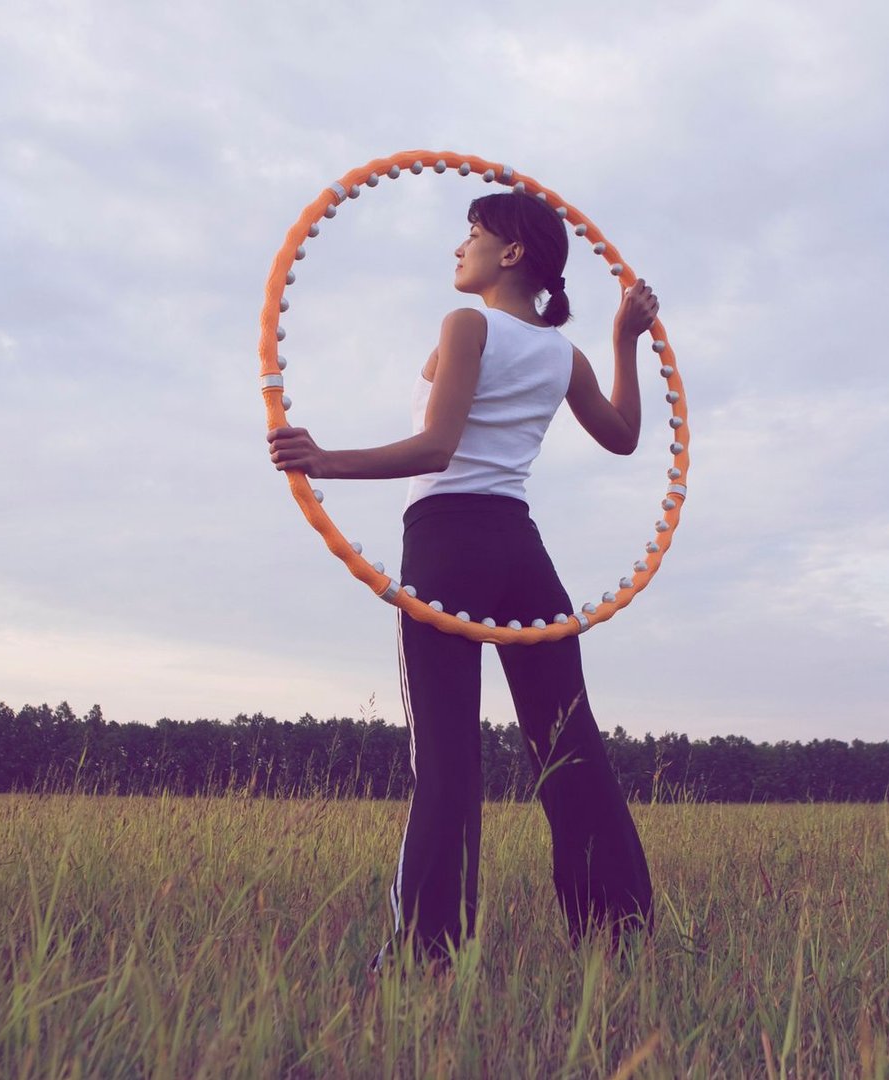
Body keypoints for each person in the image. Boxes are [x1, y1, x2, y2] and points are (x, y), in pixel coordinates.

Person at [268, 190, 657, 973]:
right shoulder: (563, 354)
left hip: (448, 543)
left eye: (472, 235)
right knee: (570, 748)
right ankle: (620, 941)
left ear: (511, 254)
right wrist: (624, 341)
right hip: (522, 550)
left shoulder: (468, 324)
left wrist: (325, 460)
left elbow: (438, 447)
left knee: (446, 758)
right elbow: (624, 438)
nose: (459, 247)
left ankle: (426, 957)